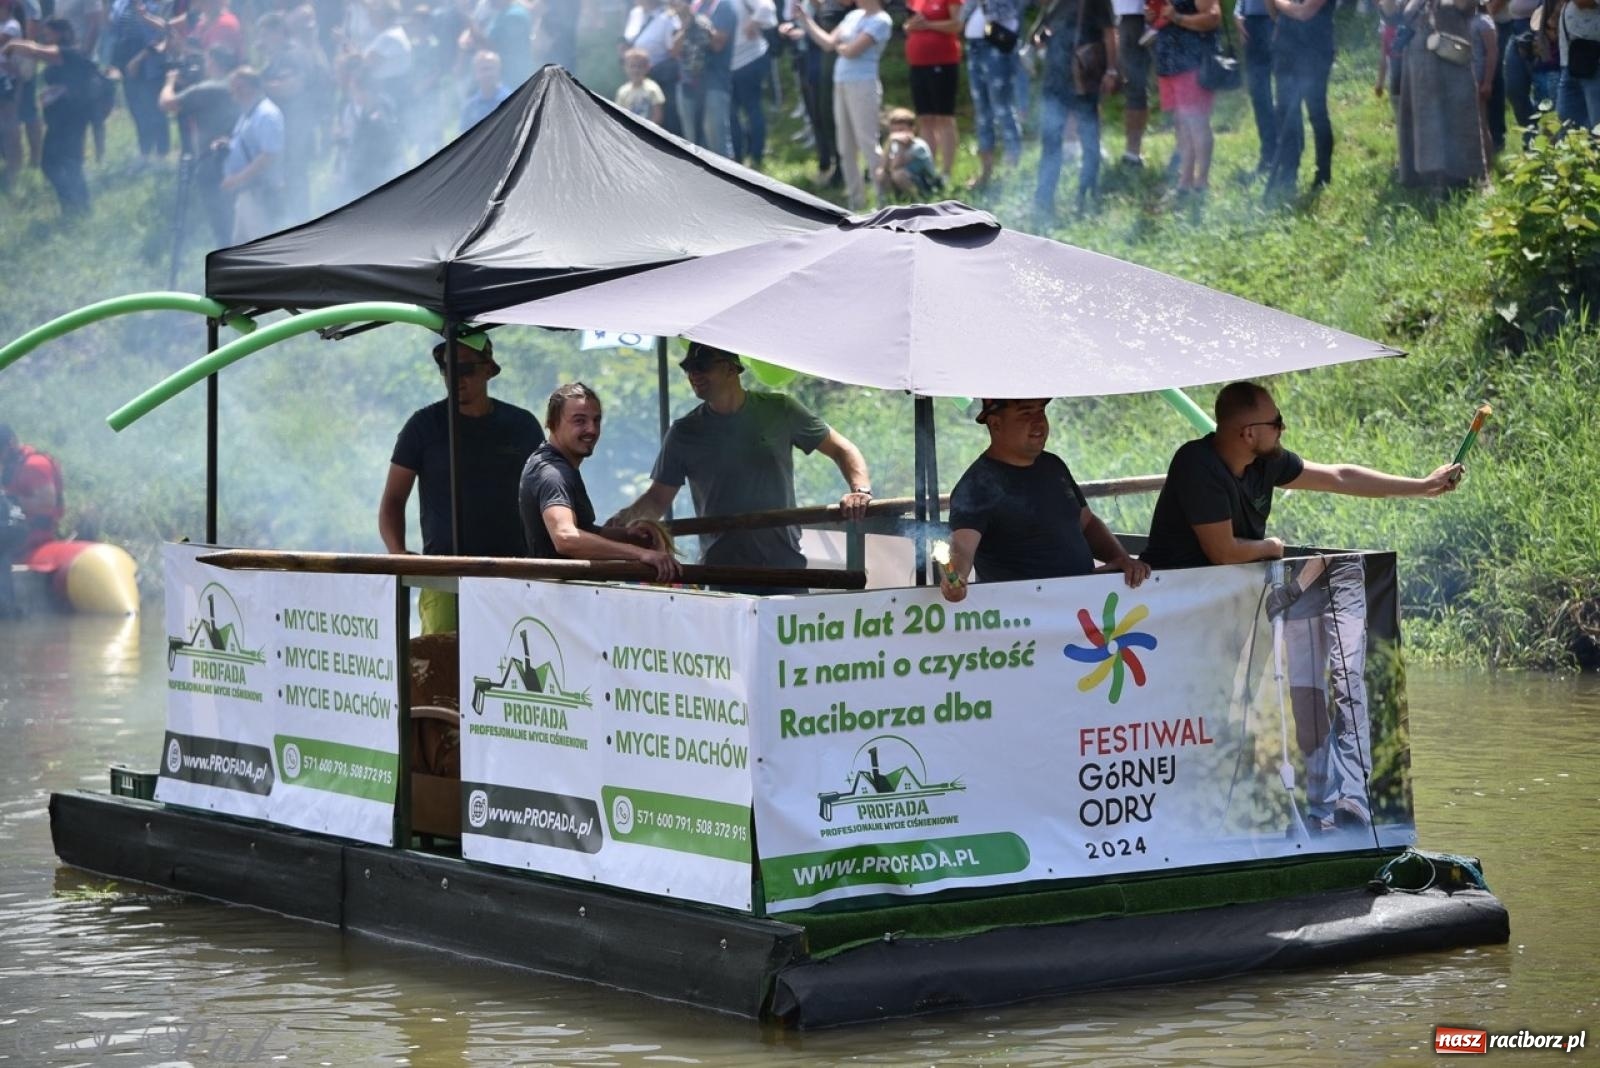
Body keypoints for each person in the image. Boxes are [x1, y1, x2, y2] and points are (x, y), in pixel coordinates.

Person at [608, 343, 872, 579]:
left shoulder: (780, 409)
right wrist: (620, 524)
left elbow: (842, 449)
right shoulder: (684, 432)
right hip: (722, 572)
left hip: (786, 566)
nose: (693, 375)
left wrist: (859, 492)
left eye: (702, 366)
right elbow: (657, 499)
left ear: (732, 368)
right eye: (688, 368)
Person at [1139, 381, 1462, 571]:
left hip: (1216, 596)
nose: (1283, 428)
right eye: (1276, 422)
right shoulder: (1197, 465)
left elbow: (1339, 477)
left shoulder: (1265, 461)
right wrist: (1271, 546)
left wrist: (1422, 485)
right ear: (1249, 434)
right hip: (1170, 594)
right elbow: (1224, 553)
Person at [380, 338, 545, 633]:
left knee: (513, 665)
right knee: (442, 671)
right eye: (446, 369)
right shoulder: (423, 426)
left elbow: (546, 496)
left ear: (489, 370)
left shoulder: (522, 426)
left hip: (514, 574)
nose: (455, 378)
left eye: (466, 369)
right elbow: (393, 500)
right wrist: (399, 554)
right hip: (443, 577)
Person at [939, 399, 1148, 602]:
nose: (1039, 421)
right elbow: (962, 546)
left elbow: (1087, 523)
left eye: (1041, 411)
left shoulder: (1053, 465)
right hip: (1025, 620)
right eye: (1026, 413)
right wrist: (956, 578)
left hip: (1082, 608)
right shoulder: (977, 484)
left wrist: (1121, 558)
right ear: (995, 423)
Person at [519, 383, 681, 581]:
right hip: (556, 600)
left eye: (596, 420)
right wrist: (640, 553)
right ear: (552, 423)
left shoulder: (561, 467)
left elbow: (583, 531)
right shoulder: (552, 474)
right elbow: (566, 538)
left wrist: (628, 535)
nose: (592, 429)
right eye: (579, 421)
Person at [796, 0, 891, 208]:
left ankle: (882, 200)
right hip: (841, 83)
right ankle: (856, 201)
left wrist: (843, 46)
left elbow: (852, 51)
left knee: (867, 142)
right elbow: (828, 43)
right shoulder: (853, 16)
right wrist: (806, 20)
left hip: (863, 84)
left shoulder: (881, 20)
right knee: (844, 145)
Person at [1033, 0, 1118, 220]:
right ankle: (1043, 201)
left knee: (1089, 140)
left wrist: (1111, 70)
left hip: (1083, 77)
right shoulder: (1052, 4)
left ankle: (1086, 197)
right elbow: (1045, 34)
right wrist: (1040, 39)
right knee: (1050, 141)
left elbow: (1109, 33)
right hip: (1055, 78)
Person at [4, 18, 95, 216]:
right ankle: (72, 205)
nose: (45, 37)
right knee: (52, 163)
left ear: (61, 33)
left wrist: (12, 44)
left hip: (71, 119)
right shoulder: (60, 55)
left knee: (66, 163)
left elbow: (36, 51)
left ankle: (79, 206)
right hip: (59, 120)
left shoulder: (69, 52)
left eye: (48, 33)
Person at [1394, 0, 1489, 187]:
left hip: (1451, 69)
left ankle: (1460, 179)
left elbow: (1466, 6)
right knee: (1423, 125)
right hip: (1418, 70)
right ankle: (1423, 179)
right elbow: (1391, 15)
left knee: (1455, 122)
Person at [160, 44, 239, 245]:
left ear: (212, 62)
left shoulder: (207, 88)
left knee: (222, 227)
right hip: (237, 160)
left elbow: (167, 103)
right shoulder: (237, 84)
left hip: (211, 162)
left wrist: (170, 82)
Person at [1264, 0, 1336, 205]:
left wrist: (1278, 2)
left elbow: (1305, 12)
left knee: (1317, 113)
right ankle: (1288, 173)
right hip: (1285, 49)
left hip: (1316, 51)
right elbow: (1274, 15)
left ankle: (1323, 174)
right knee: (1285, 112)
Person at [961, 0, 1023, 190]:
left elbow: (1012, 10)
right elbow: (963, 14)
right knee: (982, 113)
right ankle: (986, 172)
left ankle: (1011, 172)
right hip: (974, 46)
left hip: (996, 43)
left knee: (1002, 108)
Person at [220, 67, 285, 243]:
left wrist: (237, 178)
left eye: (236, 87)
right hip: (246, 191)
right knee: (240, 246)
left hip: (258, 191)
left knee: (261, 248)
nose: (232, 92)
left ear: (248, 87)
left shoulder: (266, 114)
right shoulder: (249, 113)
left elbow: (268, 156)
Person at [902, 0, 962, 177]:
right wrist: (910, 26)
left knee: (944, 118)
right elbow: (908, 26)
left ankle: (946, 171)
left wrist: (928, 24)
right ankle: (928, 168)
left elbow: (956, 24)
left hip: (943, 62)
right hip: (918, 63)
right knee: (925, 118)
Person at [729, 0, 776, 166]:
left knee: (752, 108)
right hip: (727, 65)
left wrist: (753, 22)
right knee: (732, 115)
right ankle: (739, 157)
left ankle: (757, 155)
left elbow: (767, 6)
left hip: (750, 58)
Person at [1235, 0, 1276, 178]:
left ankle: (1285, 157)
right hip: (1252, 25)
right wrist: (1237, 15)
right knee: (1259, 96)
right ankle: (1268, 155)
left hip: (1275, 22)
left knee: (1285, 93)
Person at [875, 105, 942, 199]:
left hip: (926, 183)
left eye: (901, 130)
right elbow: (884, 166)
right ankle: (891, 201)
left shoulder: (919, 146)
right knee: (881, 174)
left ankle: (919, 199)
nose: (897, 135)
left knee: (898, 174)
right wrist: (889, 143)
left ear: (912, 129)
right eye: (894, 132)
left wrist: (900, 145)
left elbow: (896, 165)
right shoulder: (894, 144)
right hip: (906, 180)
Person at [615, 45, 666, 123]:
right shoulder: (622, 92)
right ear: (625, 68)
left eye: (640, 66)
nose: (636, 70)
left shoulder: (653, 88)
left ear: (647, 68)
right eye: (632, 66)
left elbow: (658, 115)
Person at [462, 47, 511, 128]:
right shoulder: (470, 107)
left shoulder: (510, 100)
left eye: (490, 68)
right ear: (476, 73)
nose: (487, 74)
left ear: (499, 70)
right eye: (483, 69)